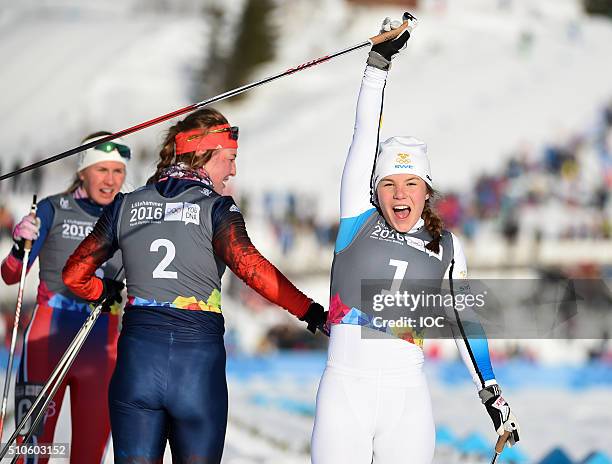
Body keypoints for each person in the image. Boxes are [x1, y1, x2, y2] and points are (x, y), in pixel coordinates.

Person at [62, 108, 327, 464]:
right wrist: (310, 312)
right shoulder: (216, 207)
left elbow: (74, 274)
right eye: (229, 159)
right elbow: (252, 269)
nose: (233, 170)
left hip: (137, 365)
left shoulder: (125, 204)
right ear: (204, 155)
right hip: (196, 368)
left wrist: (103, 291)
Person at [311, 15, 520, 464]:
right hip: (345, 391)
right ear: (374, 189)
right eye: (389, 184)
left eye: (411, 184)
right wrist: (377, 65)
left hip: (407, 398)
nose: (400, 194)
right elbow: (364, 137)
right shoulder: (357, 218)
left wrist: (494, 397)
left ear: (427, 190)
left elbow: (467, 326)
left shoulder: (447, 246)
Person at [0, 132, 130, 463]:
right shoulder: (53, 208)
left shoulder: (129, 216)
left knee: (89, 455)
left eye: (118, 171)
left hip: (101, 345)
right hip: (48, 340)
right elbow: (11, 275)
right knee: (33, 452)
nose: (111, 180)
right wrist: (19, 247)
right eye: (102, 170)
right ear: (83, 171)